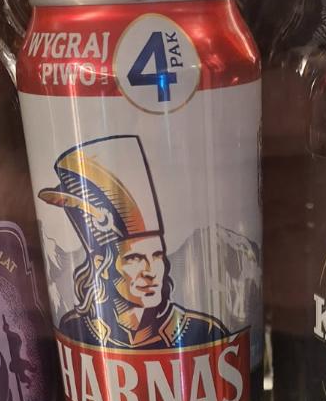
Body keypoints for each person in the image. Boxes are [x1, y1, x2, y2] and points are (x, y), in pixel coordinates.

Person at [39, 134, 226, 351]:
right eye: (134, 258)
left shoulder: (203, 331)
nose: (151, 271)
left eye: (157, 256)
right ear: (101, 265)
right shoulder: (75, 328)